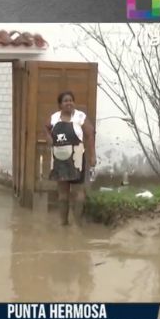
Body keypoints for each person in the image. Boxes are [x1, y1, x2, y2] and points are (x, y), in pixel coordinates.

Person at [45, 91, 96, 226]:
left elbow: (90, 134)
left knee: (78, 192)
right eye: (65, 101)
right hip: (59, 159)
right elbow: (46, 128)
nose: (69, 103)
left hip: (77, 158)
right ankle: (64, 223)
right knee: (62, 193)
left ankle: (77, 222)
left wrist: (92, 155)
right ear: (60, 104)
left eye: (71, 100)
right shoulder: (54, 117)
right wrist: (49, 138)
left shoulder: (80, 116)